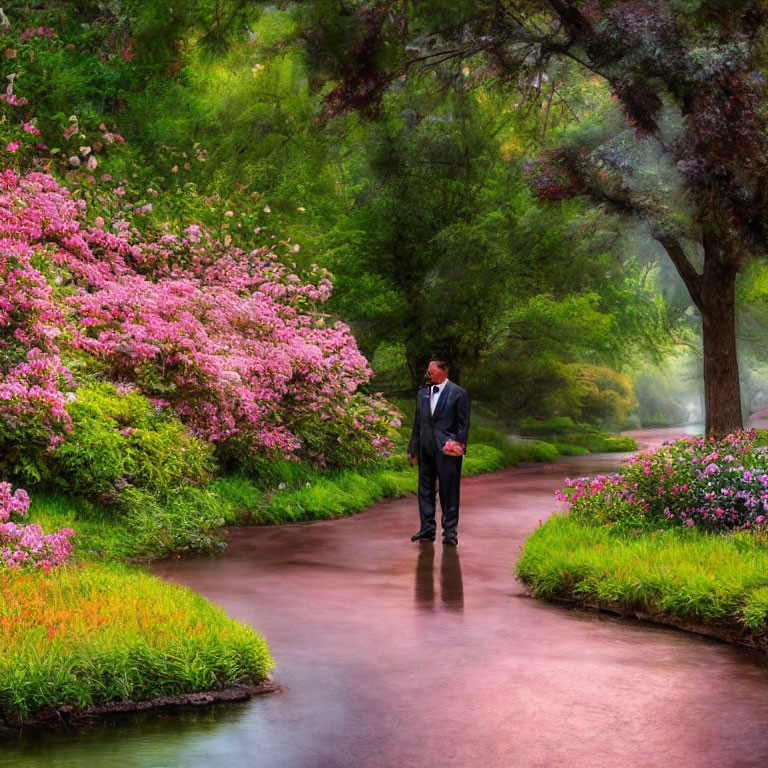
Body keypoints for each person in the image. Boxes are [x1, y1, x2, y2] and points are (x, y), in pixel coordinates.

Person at [407, 360, 470, 545]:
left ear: (444, 370)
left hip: (447, 450)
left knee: (449, 489)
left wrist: (458, 444)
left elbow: (463, 424)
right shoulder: (422, 394)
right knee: (425, 489)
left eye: (432, 371)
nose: (429, 375)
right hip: (425, 448)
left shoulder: (459, 393)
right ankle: (427, 529)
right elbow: (417, 424)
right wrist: (412, 449)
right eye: (428, 372)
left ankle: (450, 532)